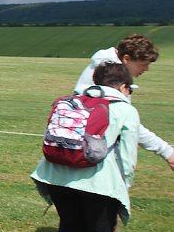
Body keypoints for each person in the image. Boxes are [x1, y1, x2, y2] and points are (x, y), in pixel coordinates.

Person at [32, 63, 139, 232]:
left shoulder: (72, 101)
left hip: (58, 180)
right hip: (100, 186)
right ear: (123, 87)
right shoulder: (124, 110)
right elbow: (128, 159)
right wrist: (124, 188)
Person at [74, 34, 173, 171]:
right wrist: (167, 152)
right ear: (126, 59)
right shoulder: (112, 80)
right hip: (91, 161)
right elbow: (129, 125)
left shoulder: (102, 68)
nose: (146, 69)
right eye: (143, 64)